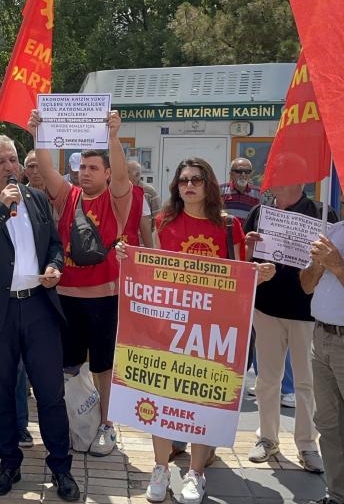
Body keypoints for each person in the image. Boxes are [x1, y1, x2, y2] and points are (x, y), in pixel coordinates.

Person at [116, 157, 275, 504]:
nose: (189, 185)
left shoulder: (228, 225)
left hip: (211, 330)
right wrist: (127, 258)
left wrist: (257, 273)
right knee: (160, 393)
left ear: (209, 184)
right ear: (176, 186)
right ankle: (160, 469)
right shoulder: (163, 221)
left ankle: (196, 473)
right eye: (183, 180)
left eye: (196, 180)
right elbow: (151, 267)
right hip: (169, 327)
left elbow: (239, 273)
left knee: (204, 400)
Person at [0, 134, 77, 500]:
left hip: (39, 307)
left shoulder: (37, 198)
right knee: (1, 393)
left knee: (50, 394)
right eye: (2, 162)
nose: (11, 168)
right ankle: (9, 463)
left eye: (13, 160)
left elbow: (55, 245)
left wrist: (55, 267)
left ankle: (61, 467)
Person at [28, 109, 131, 457]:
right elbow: (45, 168)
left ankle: (106, 426)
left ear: (106, 172)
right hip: (66, 295)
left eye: (93, 168)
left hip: (104, 297)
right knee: (68, 366)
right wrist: (37, 133)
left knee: (103, 366)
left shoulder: (116, 198)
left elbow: (120, 174)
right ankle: (76, 422)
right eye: (82, 167)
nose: (85, 173)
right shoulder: (67, 195)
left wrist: (113, 137)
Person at [242, 182, 330, 473]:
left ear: (299, 179)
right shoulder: (260, 212)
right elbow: (246, 258)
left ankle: (307, 444)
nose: (275, 179)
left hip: (306, 311)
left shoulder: (322, 212)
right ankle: (267, 438)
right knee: (267, 379)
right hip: (266, 307)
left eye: (283, 173)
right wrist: (249, 247)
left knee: (307, 382)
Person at [301, 226, 344, 504]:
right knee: (328, 424)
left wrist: (338, 266)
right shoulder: (335, 230)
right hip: (322, 336)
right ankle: (337, 494)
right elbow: (305, 285)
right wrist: (317, 266)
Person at [220, 157, 262, 225]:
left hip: (246, 235)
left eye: (247, 172)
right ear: (231, 174)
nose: (243, 174)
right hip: (225, 234)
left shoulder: (259, 194)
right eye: (239, 171)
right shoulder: (219, 191)